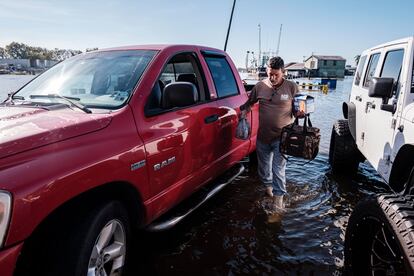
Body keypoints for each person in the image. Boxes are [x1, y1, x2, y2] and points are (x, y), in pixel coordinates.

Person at [240, 56, 302, 210]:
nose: (273, 77)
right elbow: (249, 103)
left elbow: (300, 107)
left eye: (276, 74)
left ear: (283, 73)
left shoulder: (292, 87)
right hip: (263, 137)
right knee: (263, 169)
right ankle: (269, 192)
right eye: (270, 74)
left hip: (283, 137)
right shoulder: (260, 86)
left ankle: (278, 204)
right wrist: (242, 113)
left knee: (278, 169)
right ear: (267, 72)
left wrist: (301, 113)